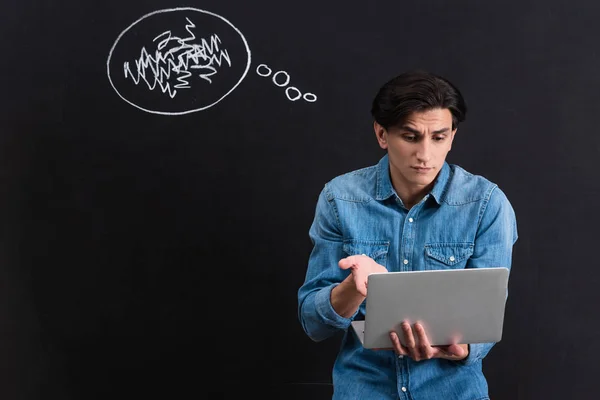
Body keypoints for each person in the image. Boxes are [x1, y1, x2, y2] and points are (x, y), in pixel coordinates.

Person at [297, 70, 518, 399]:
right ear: (382, 134)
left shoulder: (487, 204)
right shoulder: (340, 198)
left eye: (439, 137)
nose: (425, 154)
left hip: (453, 391)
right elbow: (314, 324)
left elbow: (488, 315)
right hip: (365, 389)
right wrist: (352, 289)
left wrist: (463, 348)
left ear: (453, 136)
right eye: (411, 136)